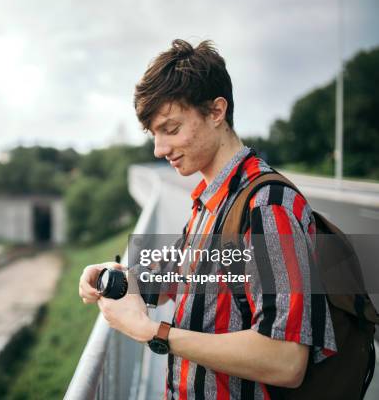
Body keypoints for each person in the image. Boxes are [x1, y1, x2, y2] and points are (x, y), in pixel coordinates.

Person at [78, 39, 337, 399]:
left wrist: (154, 331)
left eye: (170, 129)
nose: (159, 149)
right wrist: (120, 277)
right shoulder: (210, 199)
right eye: (154, 134)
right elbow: (180, 279)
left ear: (217, 112)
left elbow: (285, 358)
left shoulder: (266, 205)